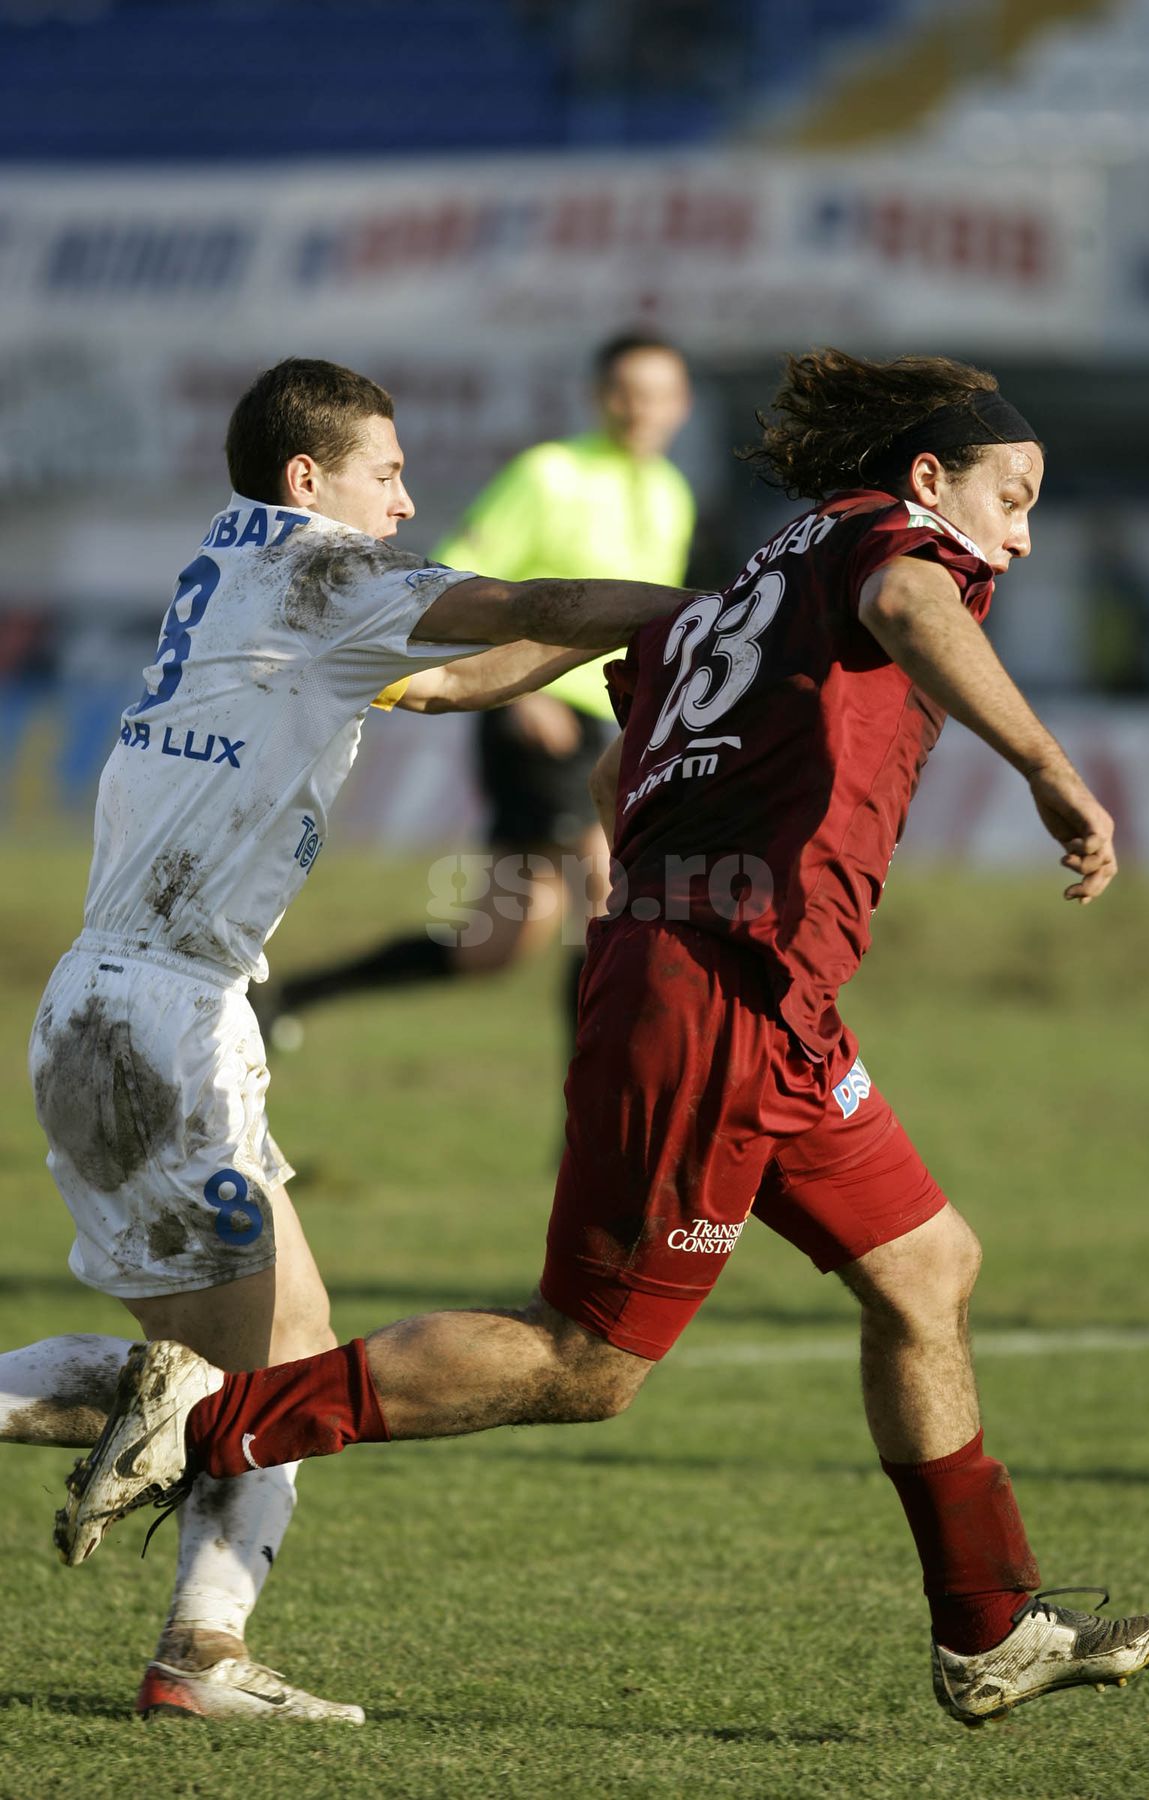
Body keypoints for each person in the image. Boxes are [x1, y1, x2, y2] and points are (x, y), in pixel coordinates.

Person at [55, 349, 1149, 1727]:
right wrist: (1056, 775)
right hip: (721, 994)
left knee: (930, 1269)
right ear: (931, 478)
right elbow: (903, 599)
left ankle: (990, 1628)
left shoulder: (768, 564)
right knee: (587, 1362)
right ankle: (211, 1424)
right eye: (1014, 497)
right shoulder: (890, 548)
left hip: (751, 990)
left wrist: (640, 869)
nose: (1020, 531)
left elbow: (617, 746)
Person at [3, 356, 691, 1723]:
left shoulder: (253, 569)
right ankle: (197, 1656)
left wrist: (624, 643)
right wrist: (709, 614)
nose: (408, 497)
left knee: (288, 1366)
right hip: (162, 1028)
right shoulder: (320, 570)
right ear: (311, 480)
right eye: (388, 471)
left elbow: (450, 683)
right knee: (254, 1383)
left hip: (140, 1006)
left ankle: (200, 1659)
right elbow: (530, 602)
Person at [257, 332, 694, 1059]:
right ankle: (587, 1122)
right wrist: (520, 696)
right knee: (610, 896)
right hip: (539, 721)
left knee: (497, 943)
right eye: (626, 391)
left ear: (680, 405)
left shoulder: (672, 494)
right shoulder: (550, 474)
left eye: (658, 395)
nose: (641, 409)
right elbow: (463, 578)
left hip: (614, 723)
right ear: (599, 396)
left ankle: (285, 999)